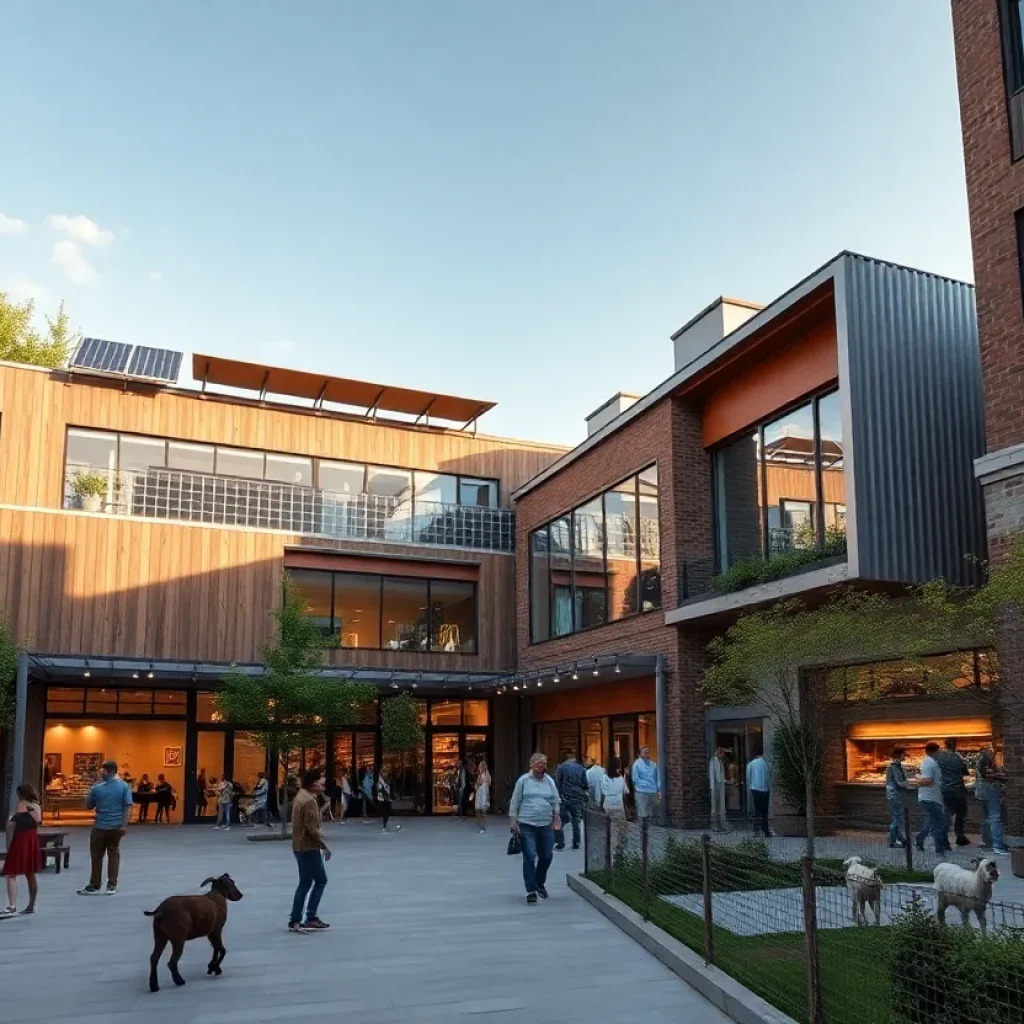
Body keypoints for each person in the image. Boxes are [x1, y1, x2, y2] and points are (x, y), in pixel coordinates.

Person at [509, 753, 561, 905]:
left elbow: (555, 800)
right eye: (538, 763)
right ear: (531, 764)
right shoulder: (524, 781)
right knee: (530, 856)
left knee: (547, 856)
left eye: (544, 763)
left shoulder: (549, 781)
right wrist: (513, 821)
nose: (541, 766)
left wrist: (556, 814)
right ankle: (531, 890)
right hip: (526, 823)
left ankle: (539, 881)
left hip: (545, 824)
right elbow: (515, 800)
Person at [77, 760, 132, 895]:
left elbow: (89, 805)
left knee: (96, 855)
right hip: (116, 826)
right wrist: (124, 824)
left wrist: (91, 792)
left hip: (100, 826)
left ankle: (95, 883)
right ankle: (111, 885)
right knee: (113, 854)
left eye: (102, 770)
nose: (100, 772)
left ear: (107, 771)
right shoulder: (124, 786)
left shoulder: (97, 788)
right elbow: (128, 807)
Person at [289, 769, 331, 933]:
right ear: (313, 783)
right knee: (320, 880)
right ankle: (307, 917)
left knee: (306, 883)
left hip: (300, 846)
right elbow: (311, 828)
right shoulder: (309, 802)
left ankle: (297, 919)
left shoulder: (302, 796)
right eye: (321, 783)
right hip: (308, 847)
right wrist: (324, 845)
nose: (323, 787)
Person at [2, 783, 42, 916]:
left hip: (20, 839)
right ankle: (32, 904)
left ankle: (12, 906)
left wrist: (9, 844)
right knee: (31, 874)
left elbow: (13, 825)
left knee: (11, 873)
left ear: (20, 794)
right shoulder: (37, 807)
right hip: (32, 840)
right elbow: (37, 820)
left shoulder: (22, 805)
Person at [913, 742, 951, 855]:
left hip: (931, 797)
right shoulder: (929, 763)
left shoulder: (931, 762)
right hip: (929, 798)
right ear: (936, 751)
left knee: (932, 821)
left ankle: (919, 840)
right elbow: (928, 780)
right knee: (939, 823)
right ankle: (939, 850)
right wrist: (916, 780)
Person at [935, 737, 971, 847]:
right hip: (958, 790)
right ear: (954, 745)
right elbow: (965, 772)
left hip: (945, 790)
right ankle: (960, 836)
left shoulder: (939, 757)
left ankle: (943, 839)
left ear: (945, 745)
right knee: (960, 814)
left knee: (946, 815)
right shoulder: (957, 758)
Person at [975, 742, 1009, 856]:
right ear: (988, 750)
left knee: (987, 818)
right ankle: (998, 846)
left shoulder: (983, 760)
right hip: (990, 791)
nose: (995, 753)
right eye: (994, 750)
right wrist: (1003, 777)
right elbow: (988, 776)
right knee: (995, 818)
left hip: (982, 792)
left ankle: (988, 842)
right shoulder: (985, 760)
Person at [554, 753, 589, 850]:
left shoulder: (561, 768)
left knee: (561, 820)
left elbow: (557, 783)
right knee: (576, 821)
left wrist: (559, 795)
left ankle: (560, 842)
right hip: (577, 798)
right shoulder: (581, 768)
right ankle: (576, 842)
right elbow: (585, 784)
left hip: (564, 797)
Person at [885, 747, 911, 848]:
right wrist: (911, 783)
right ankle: (893, 842)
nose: (905, 756)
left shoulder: (896, 766)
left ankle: (900, 839)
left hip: (894, 795)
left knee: (897, 817)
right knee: (897, 818)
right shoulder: (894, 767)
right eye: (903, 754)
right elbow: (899, 782)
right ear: (899, 755)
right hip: (895, 795)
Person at [630, 747, 660, 822]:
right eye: (644, 751)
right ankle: (644, 828)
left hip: (653, 791)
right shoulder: (636, 764)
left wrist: (658, 787)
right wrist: (645, 783)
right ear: (640, 753)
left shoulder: (653, 764)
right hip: (642, 791)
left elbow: (657, 777)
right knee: (643, 813)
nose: (647, 752)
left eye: (648, 751)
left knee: (655, 812)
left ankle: (654, 827)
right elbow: (635, 778)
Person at [746, 752, 772, 838]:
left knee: (757, 810)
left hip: (755, 789)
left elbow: (748, 777)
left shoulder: (751, 764)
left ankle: (756, 830)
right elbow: (769, 776)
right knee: (764, 811)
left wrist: (750, 788)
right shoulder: (765, 763)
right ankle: (766, 830)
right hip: (765, 789)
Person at [600, 758, 629, 829]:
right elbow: (626, 791)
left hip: (608, 804)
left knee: (610, 826)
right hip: (618, 804)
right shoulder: (621, 778)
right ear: (618, 767)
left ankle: (611, 839)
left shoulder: (604, 777)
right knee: (621, 826)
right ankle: (620, 839)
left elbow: (604, 791)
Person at [708, 747, 730, 832]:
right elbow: (716, 776)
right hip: (716, 786)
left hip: (720, 786)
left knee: (721, 806)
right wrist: (726, 781)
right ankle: (715, 825)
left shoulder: (719, 761)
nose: (724, 755)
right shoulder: (714, 761)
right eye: (723, 753)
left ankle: (721, 824)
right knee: (715, 807)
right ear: (719, 753)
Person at [376, 766, 401, 833]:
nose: (385, 774)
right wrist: (381, 797)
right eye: (384, 772)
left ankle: (386, 825)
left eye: (386, 772)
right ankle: (385, 826)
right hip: (384, 799)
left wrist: (395, 795)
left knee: (388, 812)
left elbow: (392, 788)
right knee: (385, 813)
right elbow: (379, 790)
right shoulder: (380, 781)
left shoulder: (389, 780)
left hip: (388, 798)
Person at [475, 759, 491, 833]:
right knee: (484, 812)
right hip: (485, 795)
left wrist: (476, 785)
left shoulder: (481, 775)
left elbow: (478, 785)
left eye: (479, 766)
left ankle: (481, 828)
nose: (479, 768)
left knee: (478, 811)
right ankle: (483, 828)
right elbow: (488, 785)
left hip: (481, 795)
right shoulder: (488, 775)